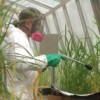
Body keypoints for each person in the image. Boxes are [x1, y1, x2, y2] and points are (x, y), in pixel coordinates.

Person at [3, 7, 64, 100]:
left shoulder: (21, 37)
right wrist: (46, 59)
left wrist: (44, 65)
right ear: (28, 23)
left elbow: (24, 65)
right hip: (18, 95)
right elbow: (19, 62)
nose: (40, 27)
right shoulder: (17, 37)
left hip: (21, 93)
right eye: (39, 24)